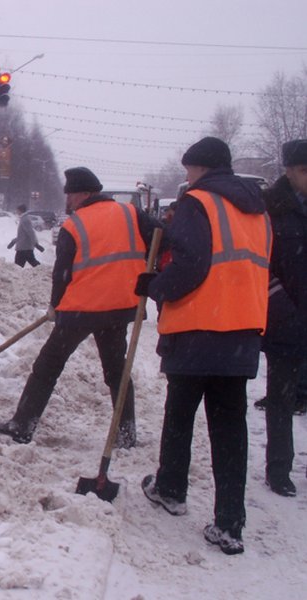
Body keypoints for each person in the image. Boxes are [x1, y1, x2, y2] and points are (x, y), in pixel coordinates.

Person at [137, 136, 269, 555]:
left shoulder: (199, 202)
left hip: (198, 327)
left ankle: (172, 489)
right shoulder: (258, 210)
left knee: (180, 414)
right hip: (242, 331)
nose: (186, 176)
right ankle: (230, 523)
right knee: (231, 427)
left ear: (201, 168)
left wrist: (156, 285)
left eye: (189, 169)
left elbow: (192, 264)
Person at [0, 167, 157, 448]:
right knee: (118, 371)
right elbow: (159, 239)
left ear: (86, 194)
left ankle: (22, 424)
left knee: (47, 366)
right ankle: (126, 433)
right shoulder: (131, 214)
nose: (68, 201)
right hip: (120, 307)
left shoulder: (74, 225)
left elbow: (62, 274)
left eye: (71, 195)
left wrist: (55, 305)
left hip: (81, 310)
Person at [257, 139, 307, 497]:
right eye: (305, 171)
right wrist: (283, 310)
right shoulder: (269, 208)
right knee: (282, 397)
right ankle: (279, 469)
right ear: (288, 171)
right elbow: (259, 265)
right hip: (284, 318)